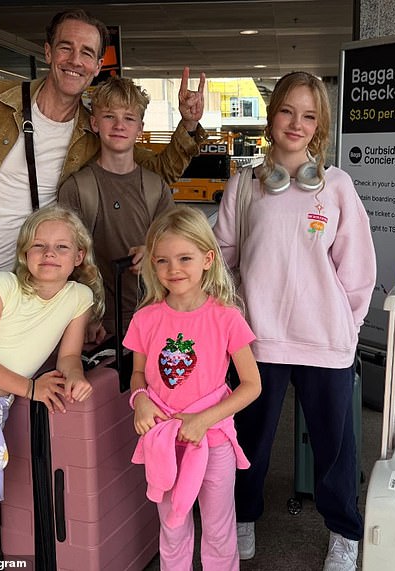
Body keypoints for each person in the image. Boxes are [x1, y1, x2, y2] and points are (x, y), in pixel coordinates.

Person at [0, 8, 205, 341]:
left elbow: (157, 169)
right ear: (48, 51)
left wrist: (188, 124)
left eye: (87, 53)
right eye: (65, 47)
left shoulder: (91, 133)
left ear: (97, 66)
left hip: (21, 279)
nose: (75, 60)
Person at [213, 71, 376, 571]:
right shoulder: (244, 186)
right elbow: (221, 259)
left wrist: (345, 327)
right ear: (271, 116)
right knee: (247, 440)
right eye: (287, 111)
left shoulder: (337, 186)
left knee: (336, 448)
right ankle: (242, 516)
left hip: (324, 340)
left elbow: (358, 268)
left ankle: (344, 531)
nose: (296, 123)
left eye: (308, 115)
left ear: (319, 125)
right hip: (257, 342)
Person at [0, 205, 104, 562]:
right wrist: (32, 389)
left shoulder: (79, 298)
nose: (49, 253)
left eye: (62, 247)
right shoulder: (3, 286)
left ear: (79, 256)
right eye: (39, 245)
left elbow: (69, 355)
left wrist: (76, 375)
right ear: (24, 252)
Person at [124, 206, 261, 570]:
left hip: (212, 441)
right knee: (172, 526)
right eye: (163, 260)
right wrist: (139, 400)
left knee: (218, 529)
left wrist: (203, 420)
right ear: (153, 264)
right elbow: (137, 375)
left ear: (207, 259)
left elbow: (251, 385)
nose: (174, 269)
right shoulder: (145, 319)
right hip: (164, 442)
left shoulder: (226, 317)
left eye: (185, 258)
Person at [58, 75, 174, 336]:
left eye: (129, 118)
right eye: (109, 116)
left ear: (140, 128)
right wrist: (84, 317)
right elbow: (63, 263)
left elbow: (177, 249)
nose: (119, 125)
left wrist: (153, 253)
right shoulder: (77, 188)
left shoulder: (156, 188)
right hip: (96, 326)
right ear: (94, 123)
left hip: (154, 319)